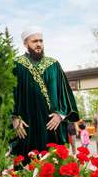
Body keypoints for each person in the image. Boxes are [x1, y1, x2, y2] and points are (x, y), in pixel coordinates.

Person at [11, 27, 79, 158]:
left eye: (41, 41)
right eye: (34, 41)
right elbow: (8, 95)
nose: (38, 44)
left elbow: (64, 93)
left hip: (52, 126)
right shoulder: (16, 65)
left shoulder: (54, 65)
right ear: (25, 44)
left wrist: (60, 115)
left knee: (54, 167)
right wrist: (13, 118)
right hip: (26, 126)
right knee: (26, 167)